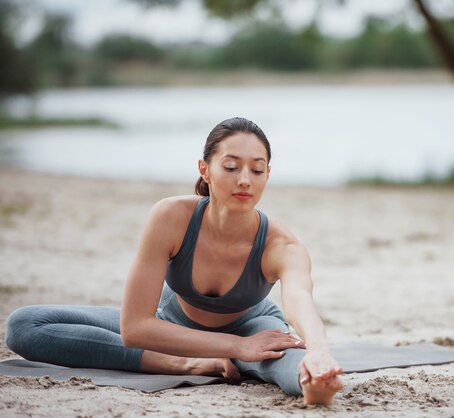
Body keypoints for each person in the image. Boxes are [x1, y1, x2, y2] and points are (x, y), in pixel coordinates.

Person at [5, 117, 343, 405]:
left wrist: (318, 350)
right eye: (231, 167)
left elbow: (299, 300)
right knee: (24, 326)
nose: (244, 180)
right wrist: (232, 348)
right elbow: (135, 327)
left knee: (280, 357)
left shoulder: (281, 244)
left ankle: (313, 385)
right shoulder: (170, 217)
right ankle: (187, 364)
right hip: (171, 323)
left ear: (267, 174)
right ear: (205, 169)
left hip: (251, 325)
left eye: (256, 170)